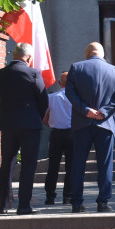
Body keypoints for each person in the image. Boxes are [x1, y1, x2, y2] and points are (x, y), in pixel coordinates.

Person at [65, 42, 115, 213]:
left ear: (87, 54)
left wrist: (86, 110)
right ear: (102, 54)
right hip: (105, 123)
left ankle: (77, 203)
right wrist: (104, 111)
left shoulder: (76, 68)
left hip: (81, 123)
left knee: (78, 163)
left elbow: (69, 93)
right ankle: (103, 202)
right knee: (105, 164)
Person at [0, 42, 48, 215]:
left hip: (8, 123)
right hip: (30, 124)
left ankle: (2, 205)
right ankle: (24, 206)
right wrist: (36, 116)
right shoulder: (33, 73)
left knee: (6, 164)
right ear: (29, 58)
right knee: (28, 165)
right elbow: (43, 100)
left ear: (14, 55)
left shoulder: (0, 74)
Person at [42, 71, 73, 205]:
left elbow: (44, 119)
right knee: (71, 167)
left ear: (60, 83)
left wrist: (51, 124)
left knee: (53, 166)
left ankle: (50, 196)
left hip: (56, 134)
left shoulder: (52, 97)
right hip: (72, 134)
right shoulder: (76, 98)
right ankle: (68, 196)